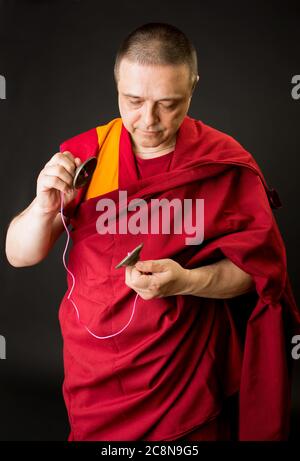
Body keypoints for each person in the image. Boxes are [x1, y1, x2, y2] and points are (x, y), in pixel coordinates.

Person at [5, 22, 300, 441]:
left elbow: (262, 273)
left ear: (193, 87)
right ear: (117, 85)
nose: (149, 120)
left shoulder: (223, 164)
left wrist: (189, 281)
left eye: (168, 104)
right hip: (97, 371)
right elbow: (20, 254)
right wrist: (42, 206)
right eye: (134, 101)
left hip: (185, 377)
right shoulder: (85, 155)